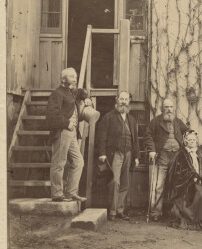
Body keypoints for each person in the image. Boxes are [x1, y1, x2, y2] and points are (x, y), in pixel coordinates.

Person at [46, 67, 92, 202]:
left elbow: (81, 91)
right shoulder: (57, 94)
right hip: (62, 131)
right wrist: (67, 123)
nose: (75, 79)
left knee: (78, 162)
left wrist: (86, 98)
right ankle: (57, 194)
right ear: (63, 79)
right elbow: (52, 114)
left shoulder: (71, 92)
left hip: (72, 133)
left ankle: (71, 192)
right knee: (59, 163)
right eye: (72, 77)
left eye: (75, 77)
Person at [97, 91, 140, 221]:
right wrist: (102, 153)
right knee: (115, 181)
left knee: (125, 182)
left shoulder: (131, 119)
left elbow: (135, 139)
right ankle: (112, 211)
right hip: (115, 153)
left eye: (126, 99)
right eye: (121, 99)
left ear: (129, 101)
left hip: (128, 153)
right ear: (117, 100)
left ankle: (120, 210)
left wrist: (136, 156)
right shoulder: (108, 117)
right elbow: (101, 137)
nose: (123, 102)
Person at [145, 98, 188, 221]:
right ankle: (155, 213)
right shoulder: (155, 121)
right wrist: (152, 150)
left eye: (171, 107)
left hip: (177, 157)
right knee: (158, 185)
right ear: (162, 109)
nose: (169, 109)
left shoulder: (178, 122)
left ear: (174, 108)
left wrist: (190, 138)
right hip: (162, 156)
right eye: (166, 107)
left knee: (177, 184)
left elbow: (187, 132)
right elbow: (148, 136)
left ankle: (176, 213)